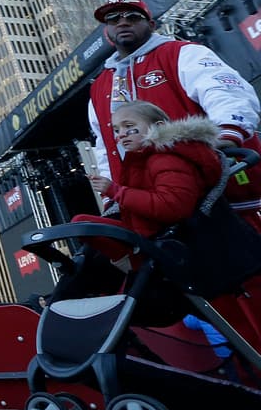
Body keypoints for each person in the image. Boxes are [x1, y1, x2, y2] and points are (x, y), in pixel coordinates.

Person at [87, 0, 261, 232]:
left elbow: (225, 91)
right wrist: (112, 197)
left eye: (132, 16)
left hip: (216, 193)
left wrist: (227, 137)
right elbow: (105, 147)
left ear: (151, 24)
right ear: (107, 31)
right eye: (114, 18)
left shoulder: (183, 52)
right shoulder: (100, 86)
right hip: (150, 206)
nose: (123, 22)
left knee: (245, 261)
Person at [55, 103, 224, 305]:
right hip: (150, 235)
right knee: (83, 224)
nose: (121, 135)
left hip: (167, 240)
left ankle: (72, 298)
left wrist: (115, 191)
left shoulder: (167, 158)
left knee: (87, 230)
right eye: (117, 130)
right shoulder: (145, 159)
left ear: (158, 126)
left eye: (129, 127)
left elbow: (173, 207)